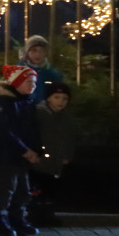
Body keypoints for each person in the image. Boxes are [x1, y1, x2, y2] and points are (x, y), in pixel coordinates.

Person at [0, 65, 41, 236]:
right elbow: (3, 131)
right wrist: (24, 150)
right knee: (5, 188)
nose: (32, 85)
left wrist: (35, 150)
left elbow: (33, 129)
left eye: (34, 82)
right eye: (28, 81)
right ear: (16, 83)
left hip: (22, 156)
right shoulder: (3, 103)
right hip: (6, 155)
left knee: (22, 189)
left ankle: (17, 216)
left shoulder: (27, 102)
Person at [31, 82, 76, 226]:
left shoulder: (66, 118)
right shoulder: (39, 113)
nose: (60, 102)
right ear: (49, 98)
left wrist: (67, 155)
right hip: (40, 161)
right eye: (57, 97)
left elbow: (70, 138)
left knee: (52, 190)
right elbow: (33, 135)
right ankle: (36, 215)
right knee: (38, 189)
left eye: (64, 99)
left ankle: (48, 215)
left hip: (57, 161)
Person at [18, 35, 63, 102]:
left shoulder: (53, 75)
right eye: (34, 50)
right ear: (27, 52)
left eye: (42, 51)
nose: (38, 54)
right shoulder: (18, 72)